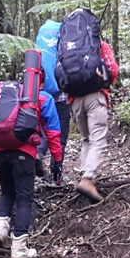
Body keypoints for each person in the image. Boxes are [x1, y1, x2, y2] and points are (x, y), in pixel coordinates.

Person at [0, 73, 64, 258]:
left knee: (7, 192)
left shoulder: (3, 95)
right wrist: (57, 160)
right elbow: (53, 133)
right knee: (24, 198)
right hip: (24, 153)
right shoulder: (42, 97)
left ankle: (0, 230)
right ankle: (19, 250)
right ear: (41, 79)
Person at [64, 22, 119, 203]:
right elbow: (112, 70)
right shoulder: (99, 45)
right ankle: (88, 179)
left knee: (86, 139)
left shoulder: (66, 47)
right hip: (95, 96)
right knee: (98, 139)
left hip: (74, 100)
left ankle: (85, 174)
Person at [36, 19, 71, 184]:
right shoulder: (64, 39)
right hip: (61, 96)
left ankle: (38, 153)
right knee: (60, 136)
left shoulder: (40, 41)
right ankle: (56, 175)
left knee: (44, 132)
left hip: (40, 95)